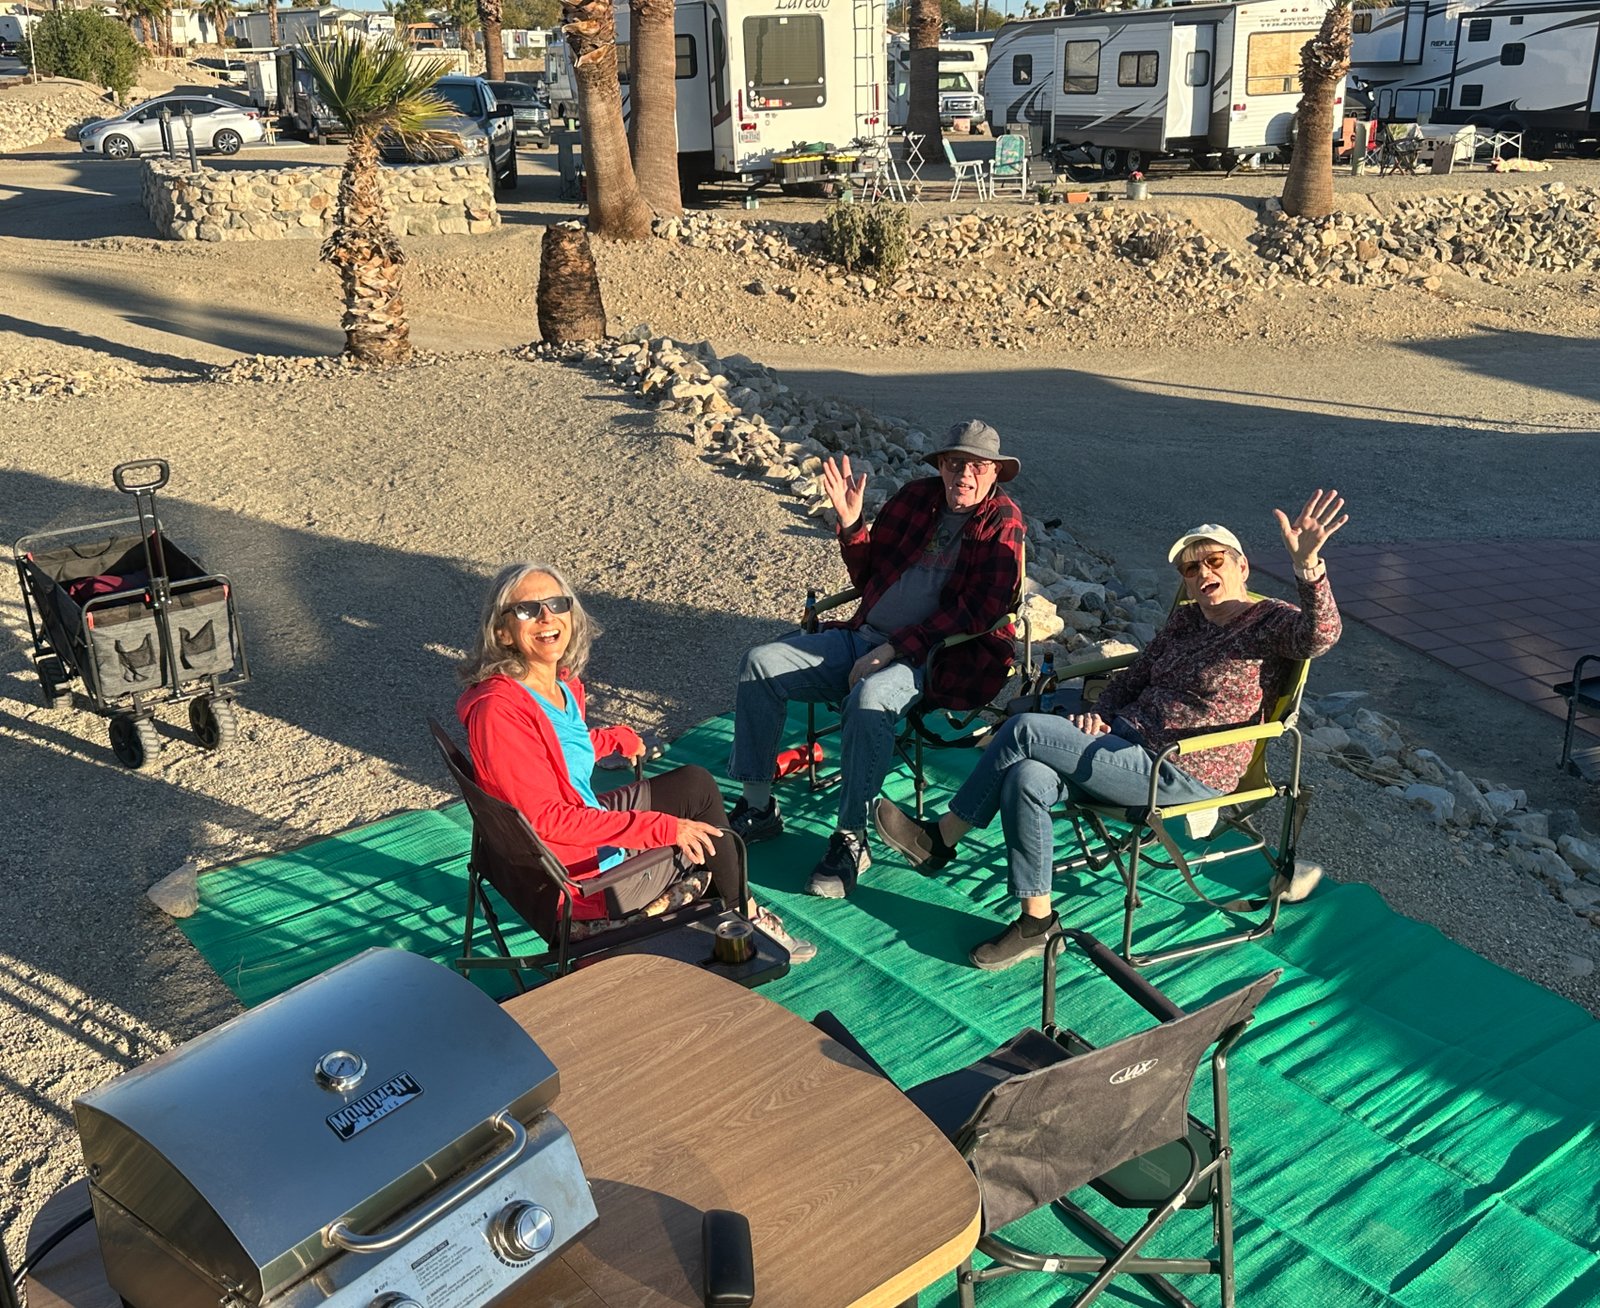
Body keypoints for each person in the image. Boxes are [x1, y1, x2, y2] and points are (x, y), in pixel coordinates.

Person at [874, 490, 1348, 970]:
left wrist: (1308, 564)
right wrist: (1100, 715)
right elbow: (1136, 677)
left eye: (1214, 561)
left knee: (1021, 731)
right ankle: (1037, 923)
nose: (1204, 574)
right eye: (1191, 568)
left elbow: (1320, 635)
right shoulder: (1185, 621)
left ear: (1241, 567)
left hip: (1182, 767)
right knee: (1027, 777)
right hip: (1126, 743)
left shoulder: (1268, 622)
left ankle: (939, 839)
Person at [726, 420, 1027, 899]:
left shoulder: (1002, 522)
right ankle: (758, 807)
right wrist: (850, 525)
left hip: (935, 658)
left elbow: (979, 612)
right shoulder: (917, 498)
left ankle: (851, 839)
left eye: (976, 467)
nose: (963, 476)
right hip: (864, 636)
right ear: (942, 466)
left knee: (870, 699)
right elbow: (869, 577)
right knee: (760, 662)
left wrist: (896, 649)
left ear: (994, 473)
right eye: (954, 464)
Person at [458, 562, 815, 962]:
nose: (546, 617)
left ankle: (734, 909)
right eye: (527, 609)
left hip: (583, 834)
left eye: (557, 604)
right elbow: (547, 820)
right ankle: (741, 922)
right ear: (502, 631)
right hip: (585, 884)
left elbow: (553, 752)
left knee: (694, 784)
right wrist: (662, 829)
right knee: (708, 841)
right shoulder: (498, 712)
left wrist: (608, 739)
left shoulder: (554, 684)